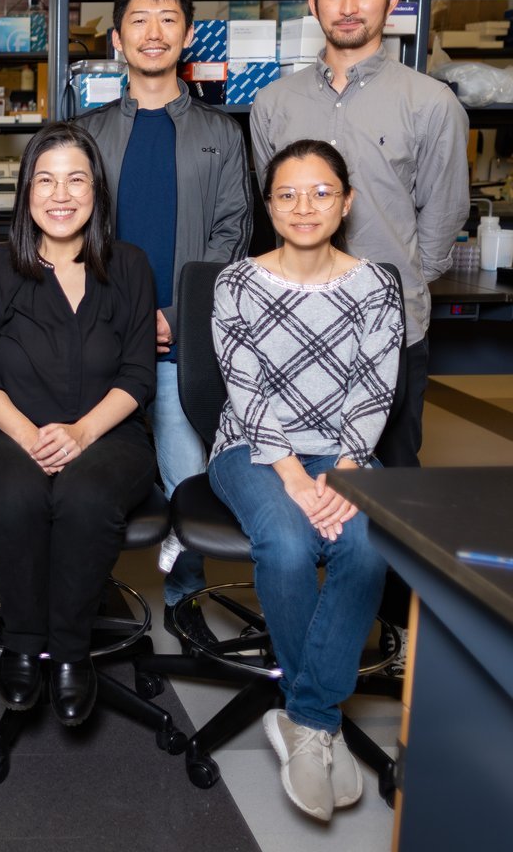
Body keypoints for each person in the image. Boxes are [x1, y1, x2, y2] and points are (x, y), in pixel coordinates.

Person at [208, 139, 403, 822]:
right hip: (254, 452)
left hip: (347, 453)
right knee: (288, 545)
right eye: (287, 194)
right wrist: (294, 477)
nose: (304, 206)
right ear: (268, 206)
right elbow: (246, 390)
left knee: (367, 544)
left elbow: (376, 390)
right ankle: (318, 719)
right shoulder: (236, 283)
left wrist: (343, 475)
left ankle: (304, 721)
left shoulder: (376, 284)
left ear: (347, 202)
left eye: (321, 192)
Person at [0, 122, 157, 727]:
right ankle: (21, 640)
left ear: (97, 191)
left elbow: (138, 377)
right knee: (16, 494)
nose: (60, 194)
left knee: (86, 495)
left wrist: (80, 434)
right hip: (3, 429)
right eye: (45, 179)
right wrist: (28, 436)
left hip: (108, 432)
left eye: (76, 179)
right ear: (25, 191)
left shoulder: (129, 266)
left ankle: (71, 652)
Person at [77, 0, 252, 648]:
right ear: (118, 40)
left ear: (186, 35)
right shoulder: (88, 132)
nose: (153, 33)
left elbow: (233, 233)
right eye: (139, 21)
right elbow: (72, 231)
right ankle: (85, 598)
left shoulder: (219, 132)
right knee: (89, 472)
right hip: (101, 340)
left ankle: (184, 596)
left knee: (188, 476)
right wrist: (121, 316)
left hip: (185, 338)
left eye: (168, 19)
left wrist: (176, 315)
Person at [251, 0, 468, 470]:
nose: (348, 7)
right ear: (313, 4)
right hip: (291, 323)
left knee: (391, 483)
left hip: (391, 326)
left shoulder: (431, 104)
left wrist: (403, 285)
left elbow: (442, 217)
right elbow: (272, 206)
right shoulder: (273, 103)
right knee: (293, 476)